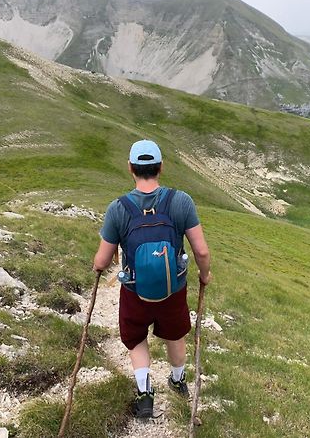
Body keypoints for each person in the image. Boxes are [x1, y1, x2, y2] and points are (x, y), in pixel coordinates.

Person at [93, 139, 211, 418]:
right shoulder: (180, 201)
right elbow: (202, 250)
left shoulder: (118, 208)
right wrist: (204, 274)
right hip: (174, 289)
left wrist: (98, 267)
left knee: (135, 339)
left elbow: (101, 260)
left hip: (135, 291)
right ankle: (178, 380)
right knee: (174, 333)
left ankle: (145, 393)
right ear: (161, 168)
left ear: (131, 169)